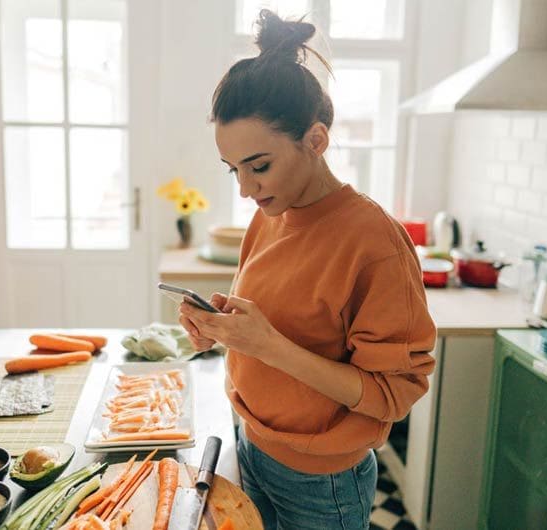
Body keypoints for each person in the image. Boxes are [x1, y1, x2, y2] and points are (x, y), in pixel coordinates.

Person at [179, 10, 437, 530]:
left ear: (316, 140)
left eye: (260, 166)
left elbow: (393, 393)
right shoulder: (273, 213)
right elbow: (282, 323)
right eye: (234, 170)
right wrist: (222, 328)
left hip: (322, 482)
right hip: (251, 444)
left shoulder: (373, 242)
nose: (246, 190)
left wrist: (265, 344)